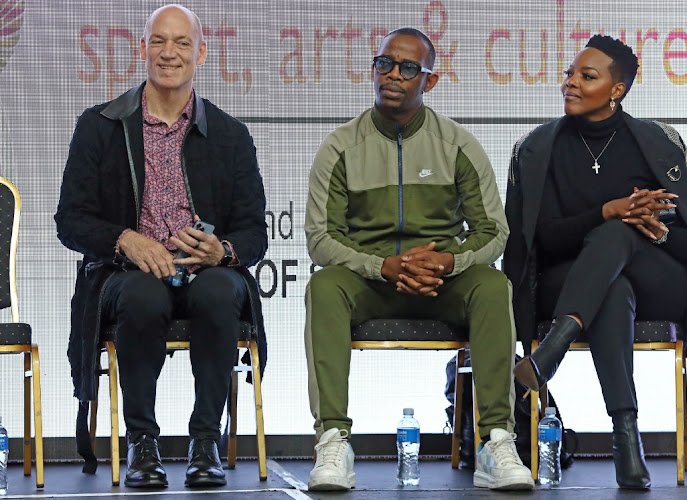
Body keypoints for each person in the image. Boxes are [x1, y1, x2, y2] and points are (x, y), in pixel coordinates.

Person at [304, 27, 534, 492]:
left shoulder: (458, 145)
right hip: (371, 282)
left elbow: (494, 232)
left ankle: (496, 441)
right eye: (384, 64)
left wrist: (448, 262)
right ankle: (333, 440)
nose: (393, 75)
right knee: (324, 285)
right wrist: (383, 266)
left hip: (440, 282)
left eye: (408, 68)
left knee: (493, 286)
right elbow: (321, 239)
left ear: (428, 82)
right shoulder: (341, 147)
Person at [55, 4, 267, 489]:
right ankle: (142, 444)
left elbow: (255, 232)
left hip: (205, 273)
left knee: (218, 291)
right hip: (123, 275)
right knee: (143, 296)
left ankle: (205, 442)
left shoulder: (231, 137)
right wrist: (123, 239)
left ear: (202, 53)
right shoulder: (100, 126)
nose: (169, 53)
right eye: (158, 41)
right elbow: (70, 221)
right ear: (143, 48)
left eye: (181, 43)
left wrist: (223, 252)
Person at [504, 35, 687, 489]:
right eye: (569, 74)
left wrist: (651, 228)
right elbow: (537, 241)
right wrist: (607, 211)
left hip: (660, 278)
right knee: (611, 286)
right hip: (571, 279)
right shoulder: (538, 149)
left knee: (619, 235)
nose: (570, 83)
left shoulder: (658, 143)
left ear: (617, 89)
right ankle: (627, 438)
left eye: (587, 76)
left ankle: (552, 351)